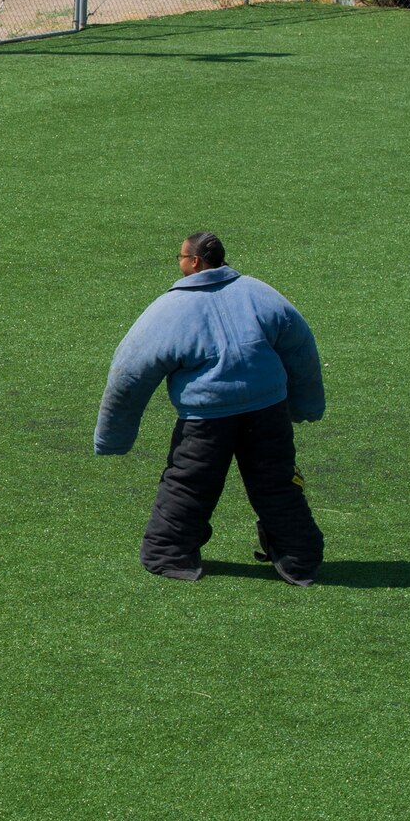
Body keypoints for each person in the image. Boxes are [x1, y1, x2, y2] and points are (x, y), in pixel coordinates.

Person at [94, 232, 326, 586]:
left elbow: (129, 373)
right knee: (277, 482)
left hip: (206, 419)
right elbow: (301, 347)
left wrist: (113, 438)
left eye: (180, 257)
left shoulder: (169, 310)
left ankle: (169, 554)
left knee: (189, 484)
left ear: (195, 262)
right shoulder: (260, 293)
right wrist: (306, 404)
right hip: (267, 410)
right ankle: (300, 560)